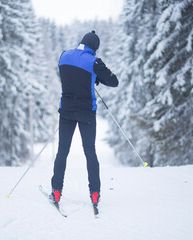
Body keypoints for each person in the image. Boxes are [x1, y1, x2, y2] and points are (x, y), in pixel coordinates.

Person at [50, 30, 119, 207]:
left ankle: (56, 191)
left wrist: (89, 78)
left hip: (66, 111)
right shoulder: (95, 61)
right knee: (90, 152)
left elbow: (68, 76)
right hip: (87, 112)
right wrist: (96, 77)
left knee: (62, 151)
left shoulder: (64, 55)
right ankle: (95, 193)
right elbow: (113, 81)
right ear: (94, 48)